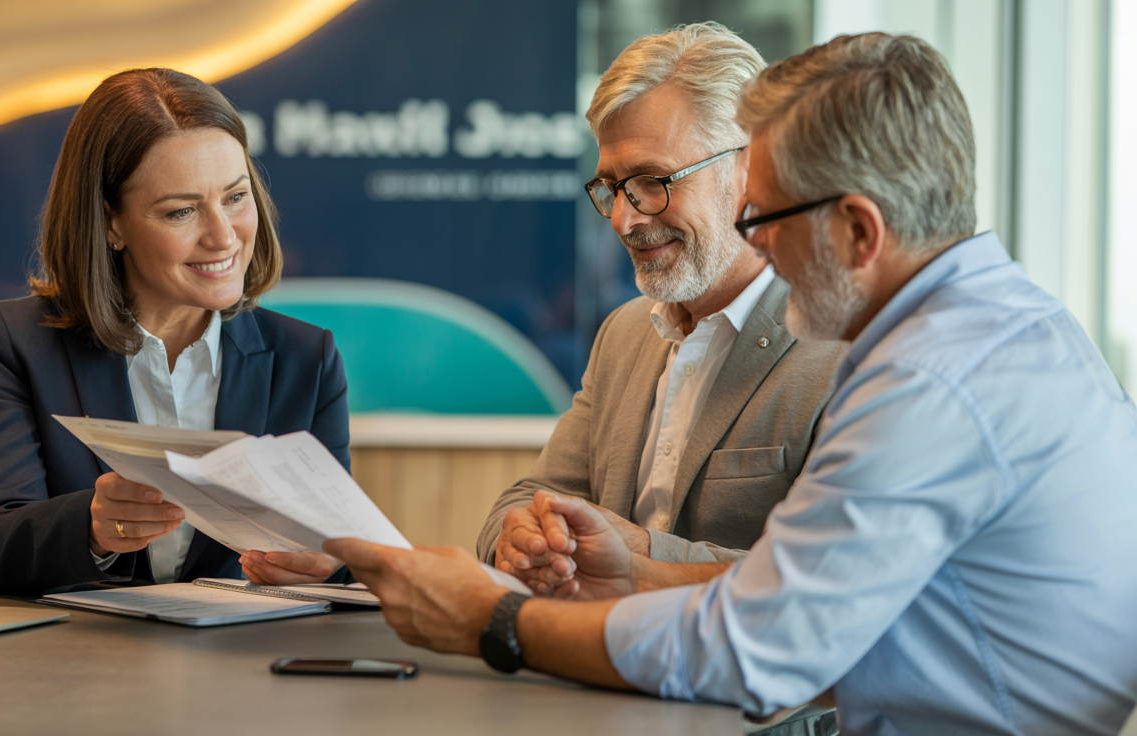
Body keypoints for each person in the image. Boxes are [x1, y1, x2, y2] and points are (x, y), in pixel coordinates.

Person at [326, 32, 1137, 736]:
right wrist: (635, 572)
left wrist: (494, 619)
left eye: (769, 217)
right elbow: (804, 594)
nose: (762, 245)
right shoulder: (1001, 328)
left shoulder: (927, 379)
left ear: (859, 230)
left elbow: (758, 647)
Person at [479, 22, 846, 596]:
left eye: (653, 181)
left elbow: (831, 578)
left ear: (753, 168)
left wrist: (640, 555)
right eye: (612, 187)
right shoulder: (624, 334)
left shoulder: (847, 348)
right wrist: (521, 539)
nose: (623, 219)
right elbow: (526, 500)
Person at [0, 68, 349, 595]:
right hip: (68, 645)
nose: (223, 236)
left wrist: (329, 562)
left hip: (242, 645)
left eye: (235, 197)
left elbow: (337, 555)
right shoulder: (12, 342)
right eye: (182, 211)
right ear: (110, 223)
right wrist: (93, 527)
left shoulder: (307, 358)